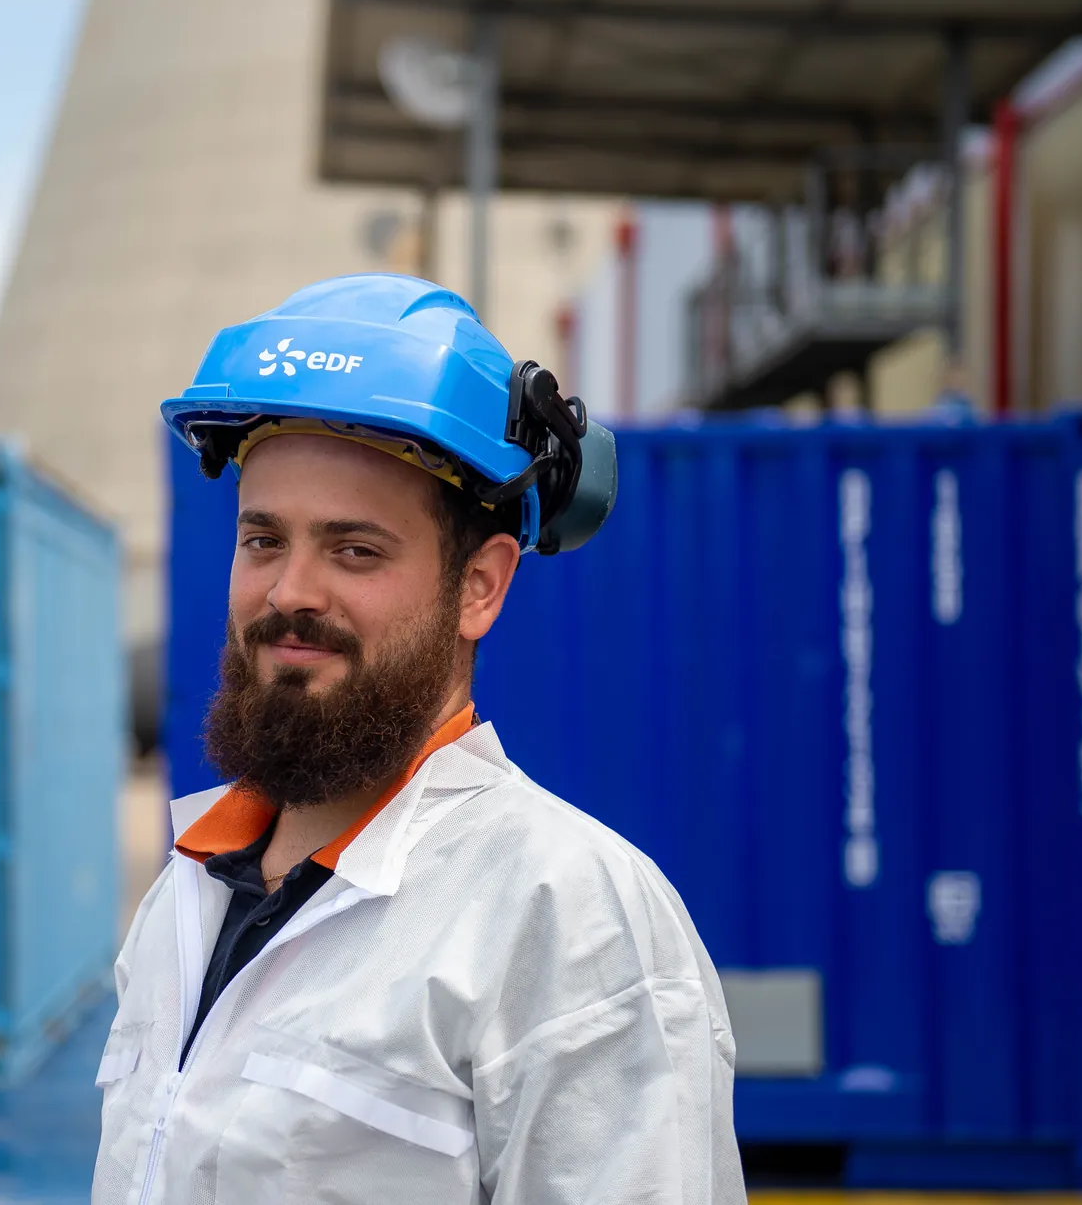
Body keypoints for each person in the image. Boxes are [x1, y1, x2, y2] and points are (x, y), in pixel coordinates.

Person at [95, 274, 742, 1205]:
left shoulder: (567, 918)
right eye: (263, 540)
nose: (289, 593)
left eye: (354, 549)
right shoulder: (186, 897)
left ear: (480, 584)